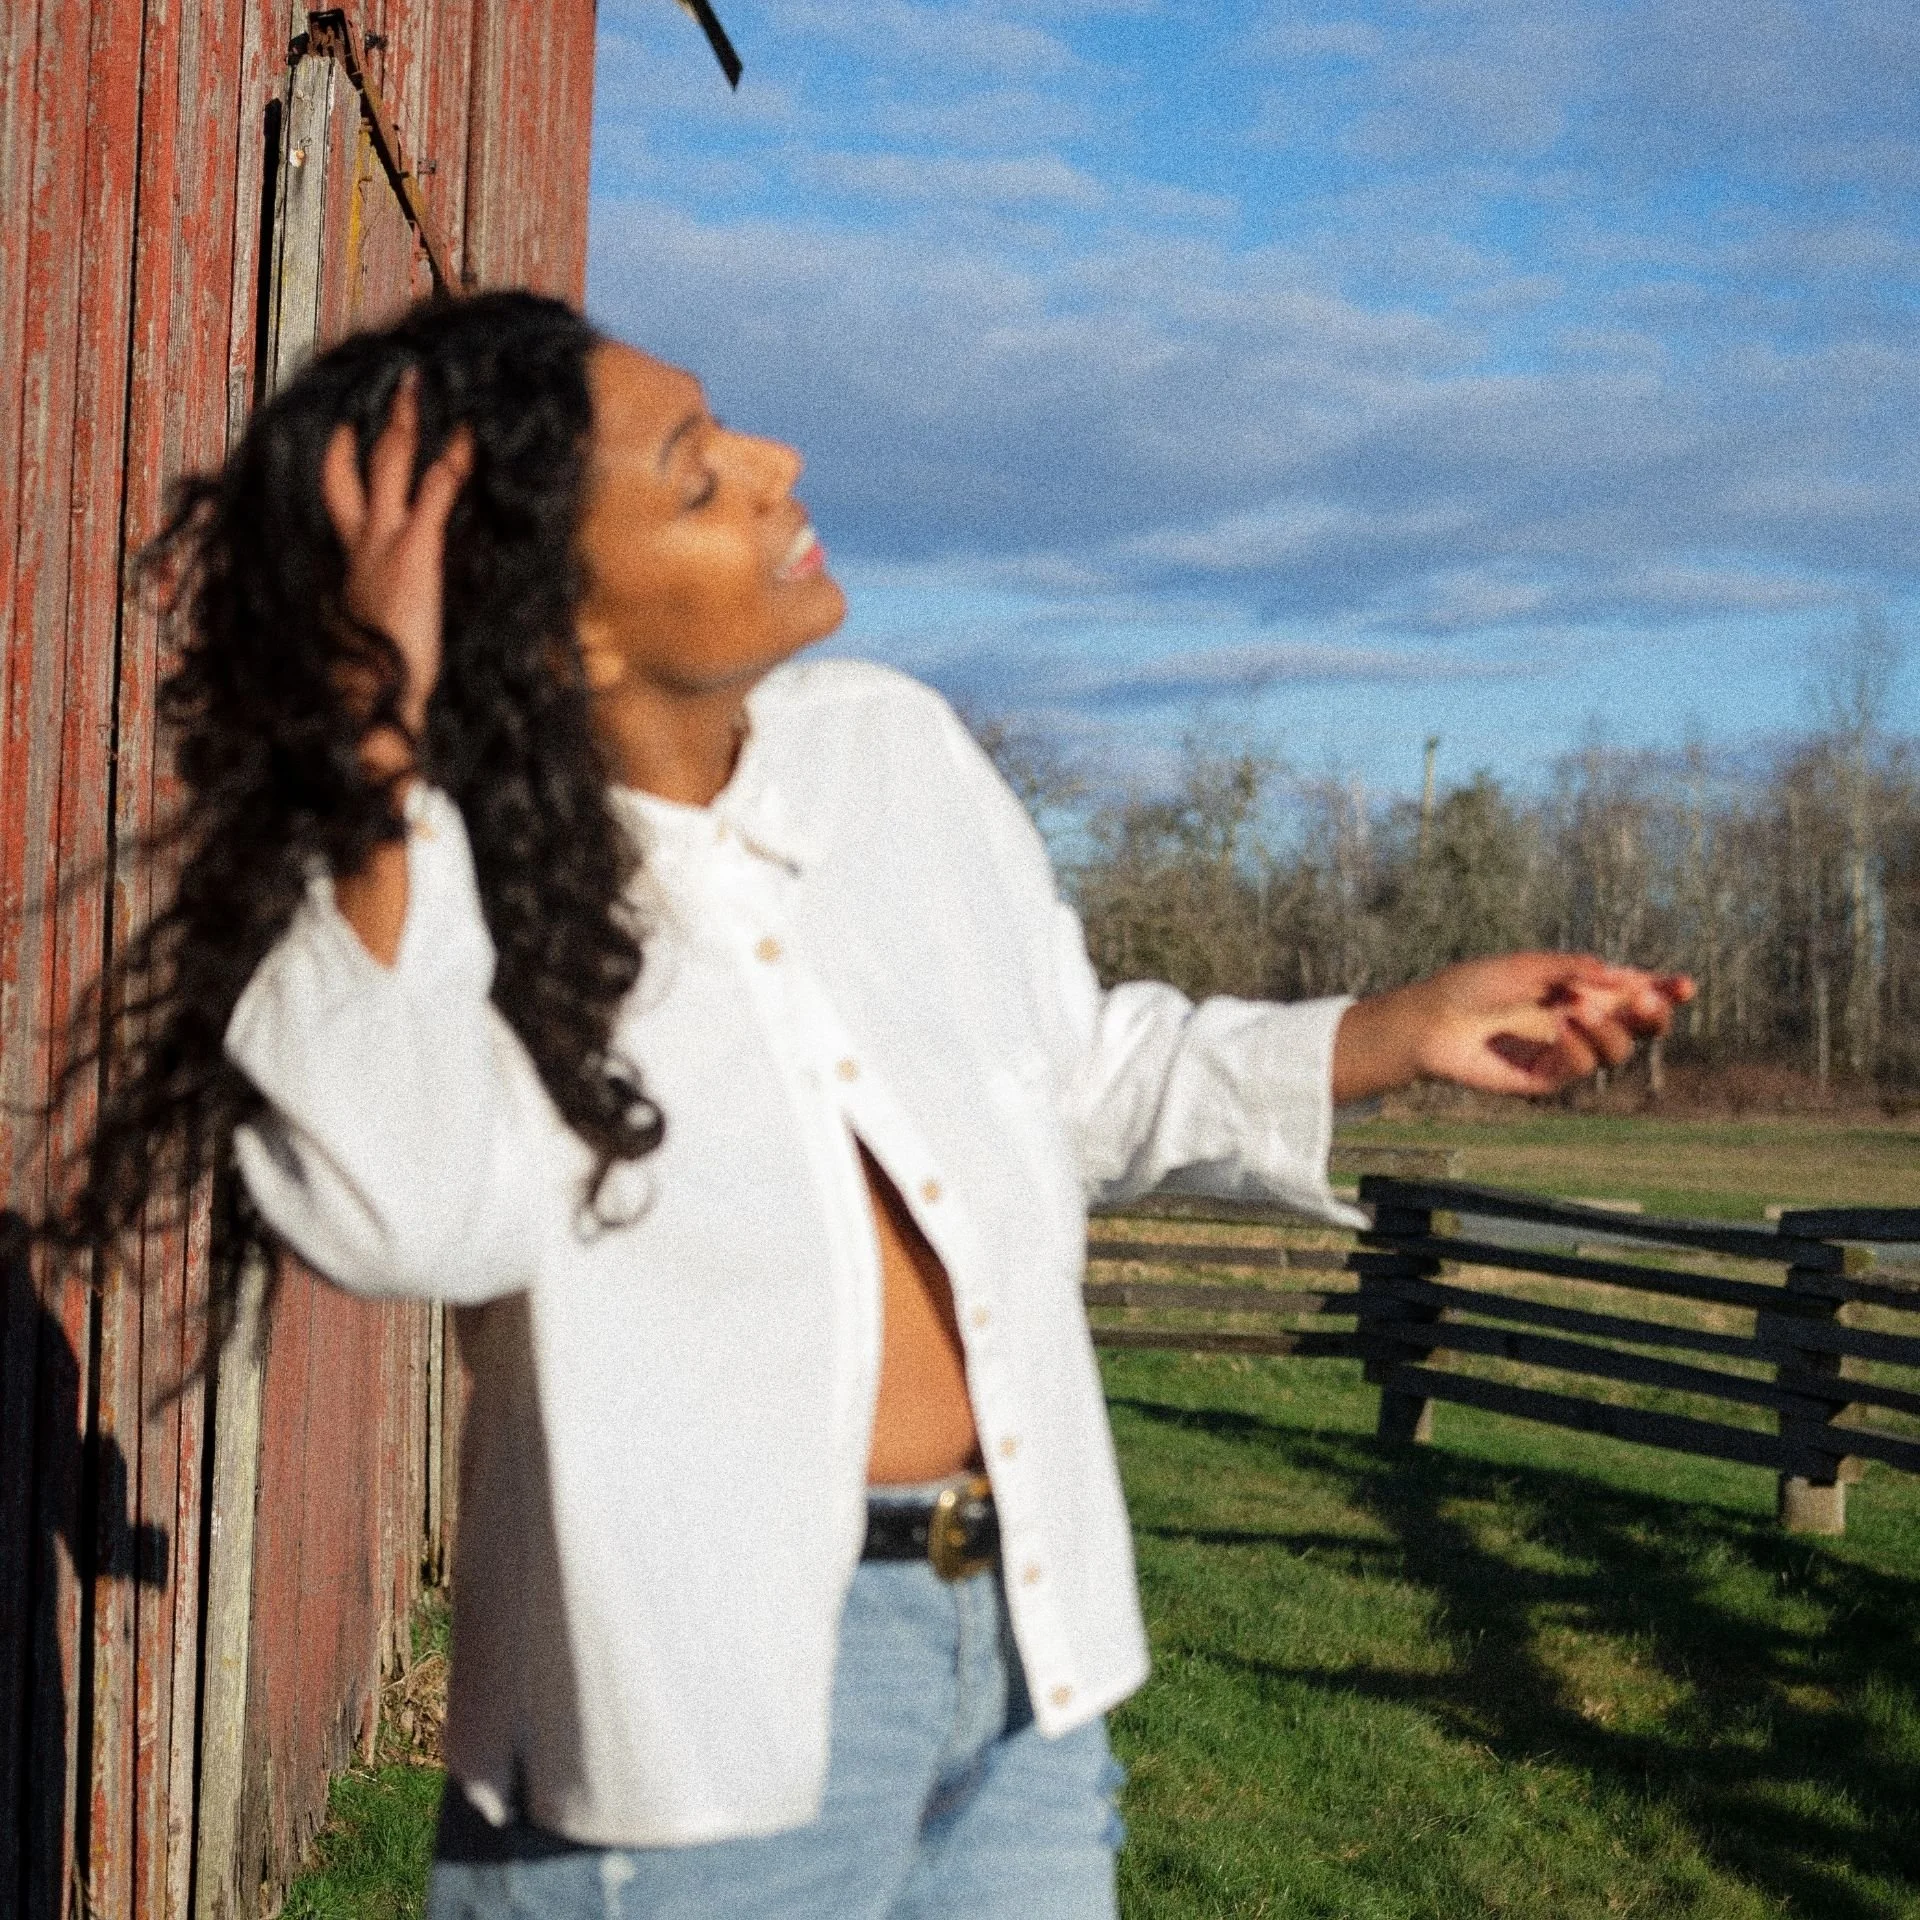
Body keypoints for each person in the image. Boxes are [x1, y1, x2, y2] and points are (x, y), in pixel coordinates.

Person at [51, 292, 1688, 1918]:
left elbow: (1064, 1081)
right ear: (566, 627)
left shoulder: (897, 757)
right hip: (694, 1746)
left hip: (1026, 1659)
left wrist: (1391, 1033)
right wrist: (373, 743)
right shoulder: (434, 894)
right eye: (696, 474)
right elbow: (406, 1209)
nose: (776, 463)